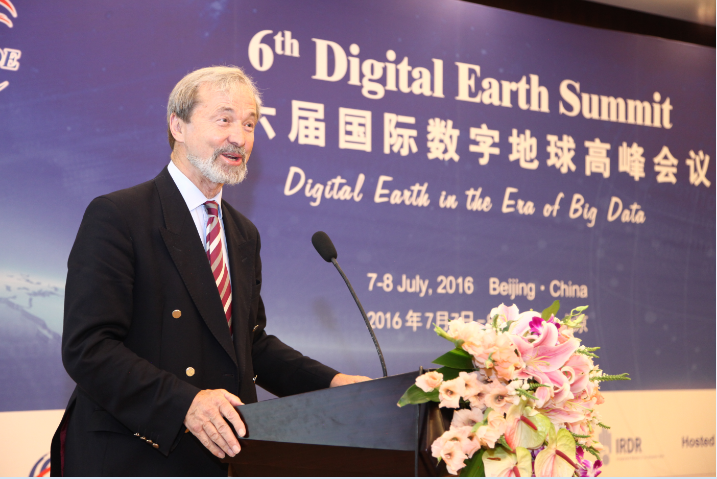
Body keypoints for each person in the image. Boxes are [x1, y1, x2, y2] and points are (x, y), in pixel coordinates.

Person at [50, 66, 370, 476]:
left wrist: (331, 384)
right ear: (177, 126)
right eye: (224, 119)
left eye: (250, 124)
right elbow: (89, 347)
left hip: (221, 455)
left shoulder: (242, 233)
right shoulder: (119, 216)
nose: (240, 137)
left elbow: (249, 345)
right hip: (135, 454)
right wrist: (184, 402)